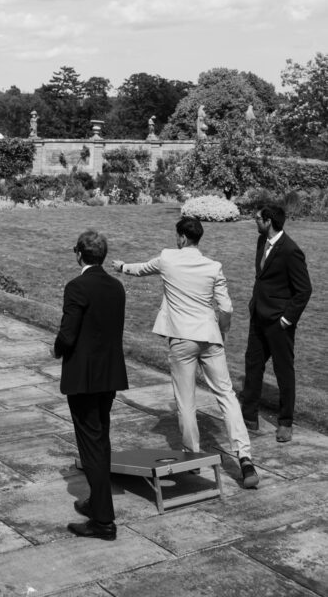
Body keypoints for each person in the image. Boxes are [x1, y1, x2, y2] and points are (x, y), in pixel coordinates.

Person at [112, 216, 259, 489]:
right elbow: (226, 308)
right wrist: (222, 331)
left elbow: (141, 269)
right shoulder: (213, 267)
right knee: (226, 395)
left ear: (181, 237)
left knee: (186, 401)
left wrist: (121, 266)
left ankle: (193, 457)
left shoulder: (168, 258)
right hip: (210, 337)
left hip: (182, 339)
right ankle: (245, 457)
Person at [54, 230, 128, 540]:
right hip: (108, 375)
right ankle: (97, 502)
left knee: (91, 446)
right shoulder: (116, 286)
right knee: (100, 440)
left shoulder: (77, 287)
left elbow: (68, 334)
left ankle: (103, 521)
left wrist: (56, 349)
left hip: (84, 377)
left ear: (79, 254)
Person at [239, 204, 312, 443]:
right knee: (253, 365)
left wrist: (286, 319)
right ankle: (249, 416)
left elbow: (304, 290)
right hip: (258, 317)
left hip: (279, 323)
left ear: (268, 221)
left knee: (283, 371)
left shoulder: (291, 251)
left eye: (258, 218)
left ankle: (285, 422)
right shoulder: (262, 241)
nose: (255, 220)